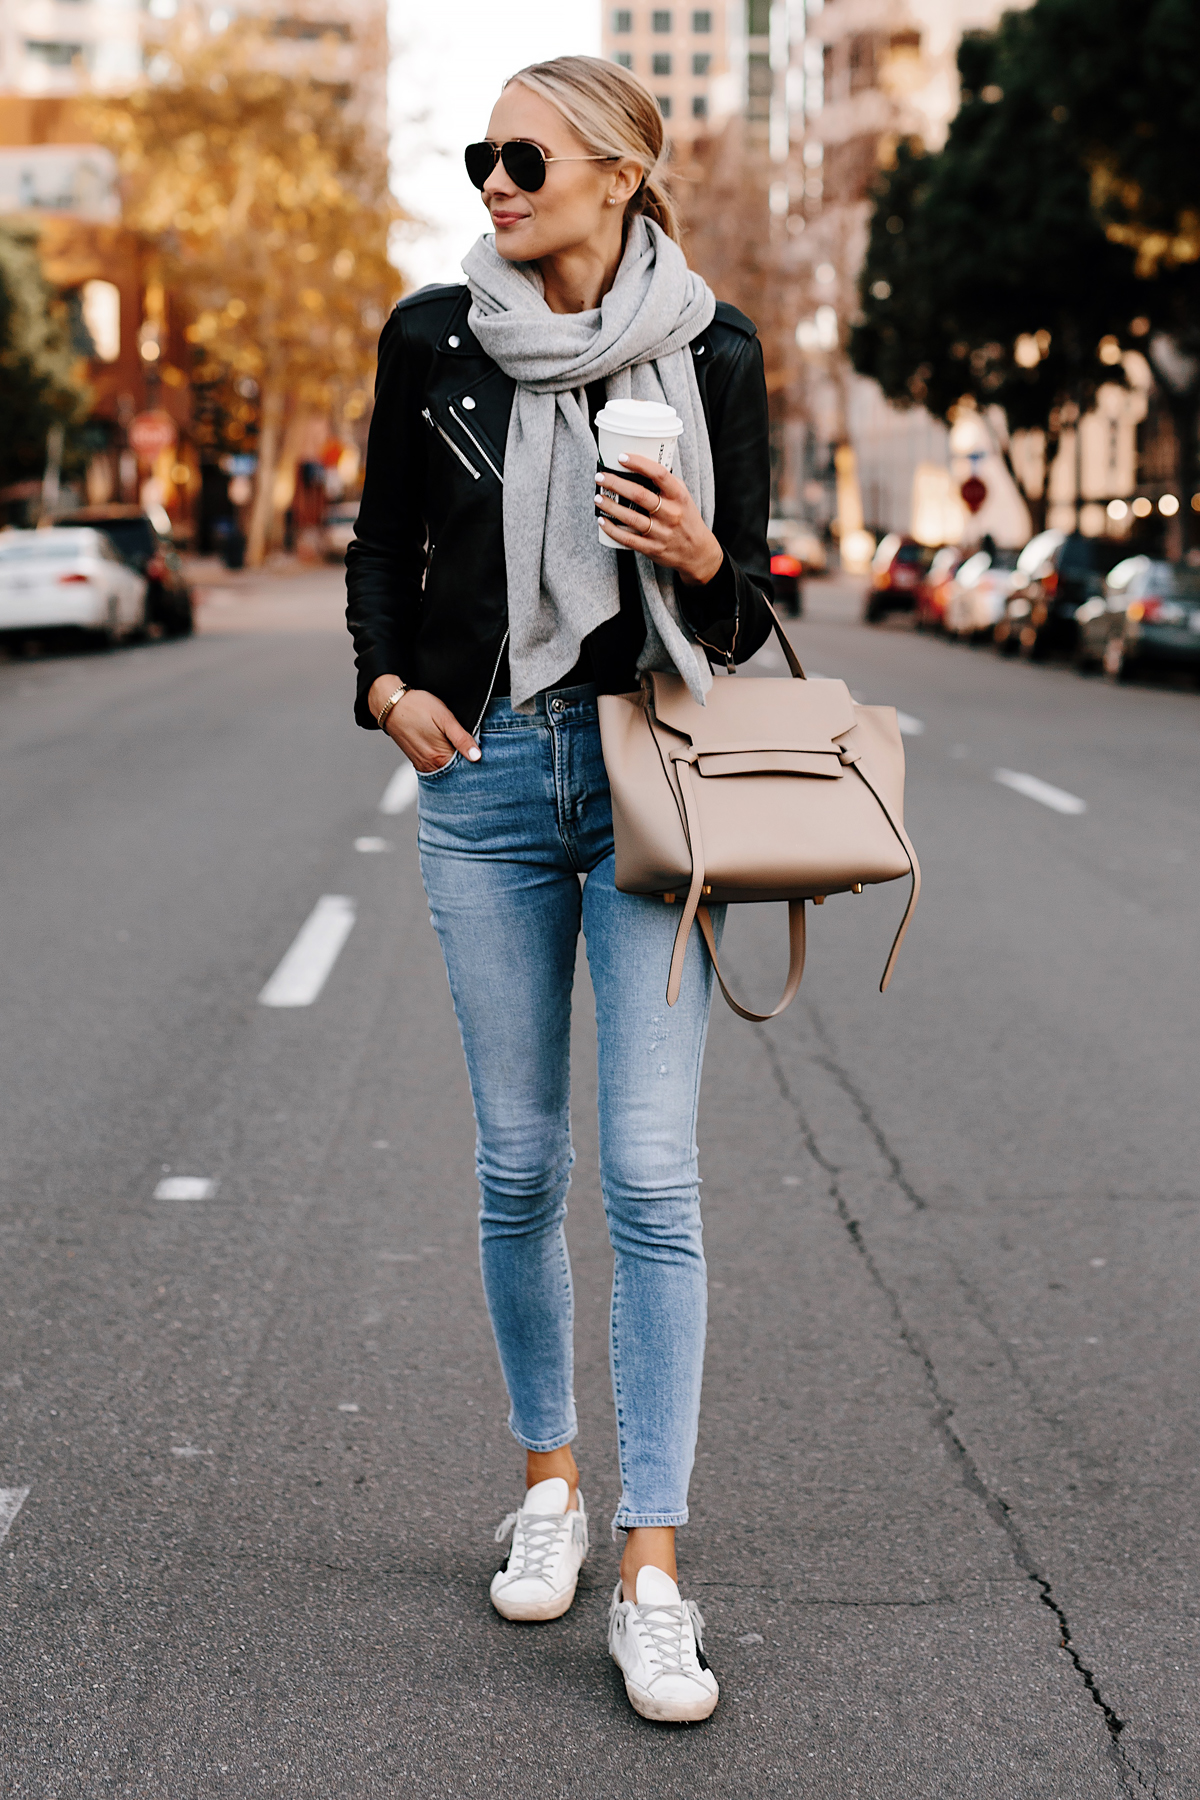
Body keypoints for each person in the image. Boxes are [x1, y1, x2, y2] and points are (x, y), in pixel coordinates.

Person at [345, 53, 773, 1725]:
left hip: (659, 775)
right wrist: (387, 689)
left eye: (524, 155)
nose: (494, 181)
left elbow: (745, 624)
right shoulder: (435, 335)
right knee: (520, 1161)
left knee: (651, 1177)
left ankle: (654, 1572)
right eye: (481, 155)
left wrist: (701, 557)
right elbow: (384, 537)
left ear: (617, 171)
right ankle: (551, 1486)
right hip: (494, 778)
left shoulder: (712, 350)